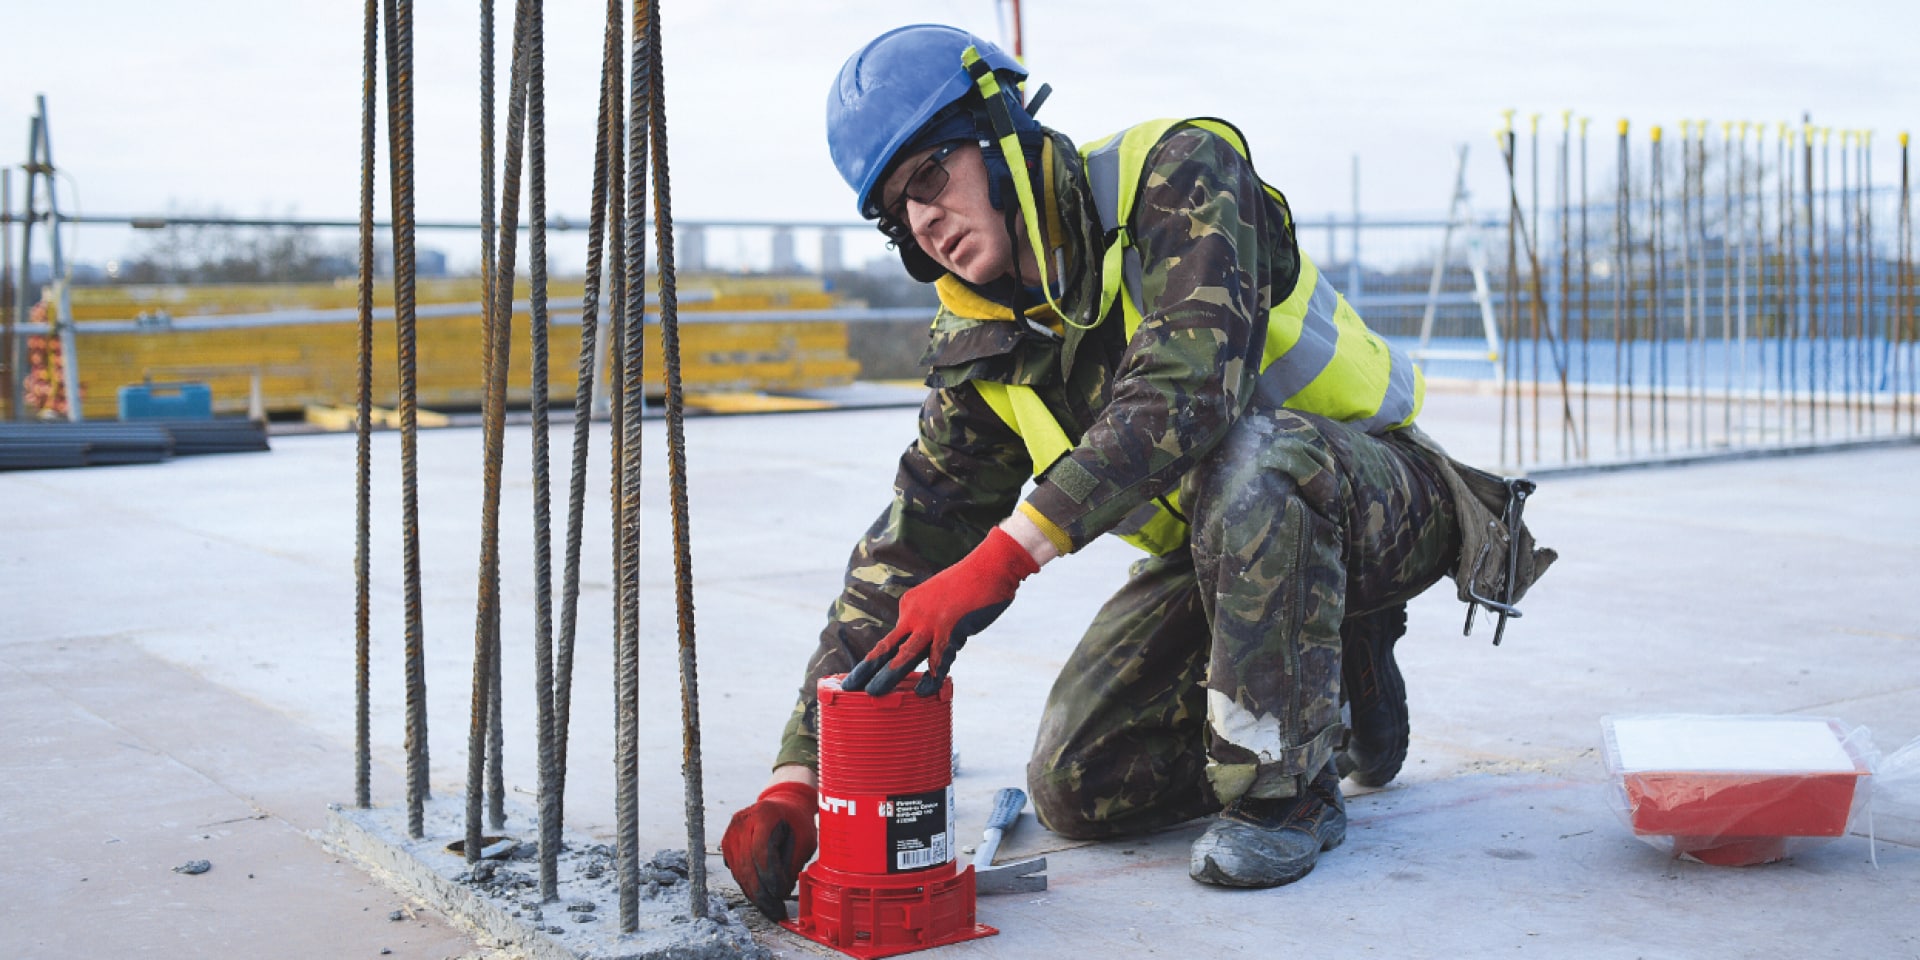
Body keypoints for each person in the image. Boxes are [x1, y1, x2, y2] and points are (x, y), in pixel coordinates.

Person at [721, 24, 1554, 920]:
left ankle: (1286, 798)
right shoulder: (983, 347)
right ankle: (1335, 694)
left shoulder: (1178, 173)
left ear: (1001, 135)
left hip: (1373, 497)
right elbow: (912, 547)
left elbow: (1187, 390)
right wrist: (801, 775)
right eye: (899, 211)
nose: (924, 219)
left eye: (931, 176)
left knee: (1252, 460)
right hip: (1228, 555)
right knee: (1077, 786)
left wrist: (1004, 557)